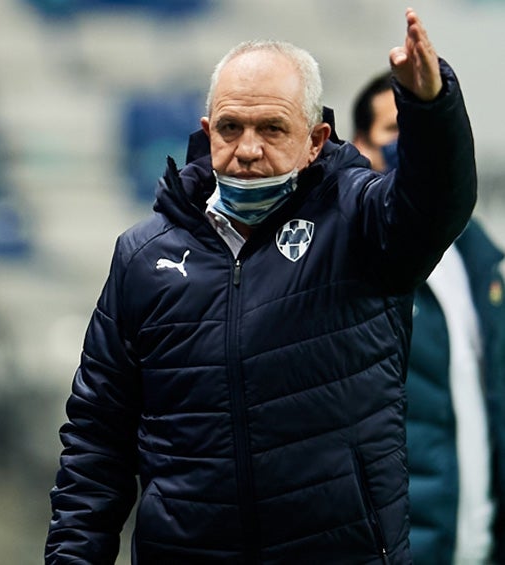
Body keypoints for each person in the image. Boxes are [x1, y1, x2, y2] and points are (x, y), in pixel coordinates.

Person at [45, 8, 477, 564]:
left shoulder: (360, 224)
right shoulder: (143, 256)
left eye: (272, 129)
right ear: (208, 132)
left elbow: (437, 204)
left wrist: (429, 105)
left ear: (316, 139)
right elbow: (95, 444)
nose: (248, 148)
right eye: (231, 128)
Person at [352, 72, 505, 565]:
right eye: (396, 127)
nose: (412, 140)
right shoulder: (351, 257)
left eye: (423, 124)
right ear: (361, 146)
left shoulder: (480, 260)